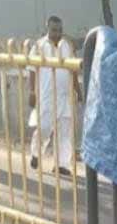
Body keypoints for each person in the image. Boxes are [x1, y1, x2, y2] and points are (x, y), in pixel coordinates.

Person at [29, 15, 81, 177]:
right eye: (54, 30)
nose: (57, 33)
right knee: (44, 128)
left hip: (65, 95)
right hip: (47, 95)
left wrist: (78, 90)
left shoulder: (68, 46)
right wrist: (32, 92)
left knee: (65, 132)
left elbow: (73, 70)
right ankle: (36, 153)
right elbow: (32, 70)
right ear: (48, 29)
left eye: (59, 30)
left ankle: (61, 164)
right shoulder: (38, 46)